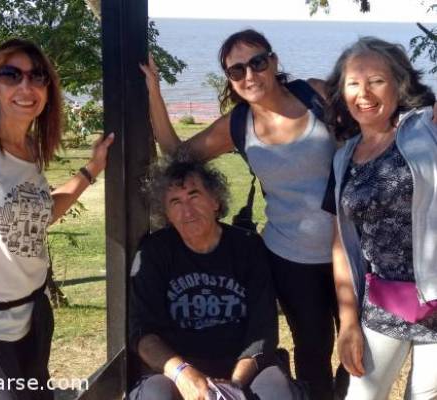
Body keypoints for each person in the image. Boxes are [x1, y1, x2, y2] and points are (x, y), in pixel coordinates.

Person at [141, 29, 343, 400]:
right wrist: (154, 89)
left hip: (349, 248)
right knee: (314, 353)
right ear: (230, 81)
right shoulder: (238, 126)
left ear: (274, 61)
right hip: (291, 258)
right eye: (236, 71)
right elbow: (176, 151)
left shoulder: (316, 94)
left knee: (359, 348)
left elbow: (370, 127)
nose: (249, 75)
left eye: (257, 62)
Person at [0, 39, 113, 400]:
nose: (26, 86)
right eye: (10, 75)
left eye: (37, 76)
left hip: (34, 317)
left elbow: (38, 215)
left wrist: (92, 168)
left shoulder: (31, 152)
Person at [128, 157, 298, 400]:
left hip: (242, 366)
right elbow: (143, 334)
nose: (187, 211)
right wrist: (184, 374)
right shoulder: (155, 252)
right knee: (155, 395)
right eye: (175, 202)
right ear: (166, 213)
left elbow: (262, 331)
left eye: (194, 196)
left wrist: (231, 388)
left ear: (215, 201)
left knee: (277, 391)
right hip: (178, 369)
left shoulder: (247, 247)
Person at [324, 36, 437, 400]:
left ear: (398, 84)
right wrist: (348, 322)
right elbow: (342, 243)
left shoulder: (426, 128)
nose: (365, 93)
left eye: (377, 80)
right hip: (386, 302)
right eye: (354, 83)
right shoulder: (344, 158)